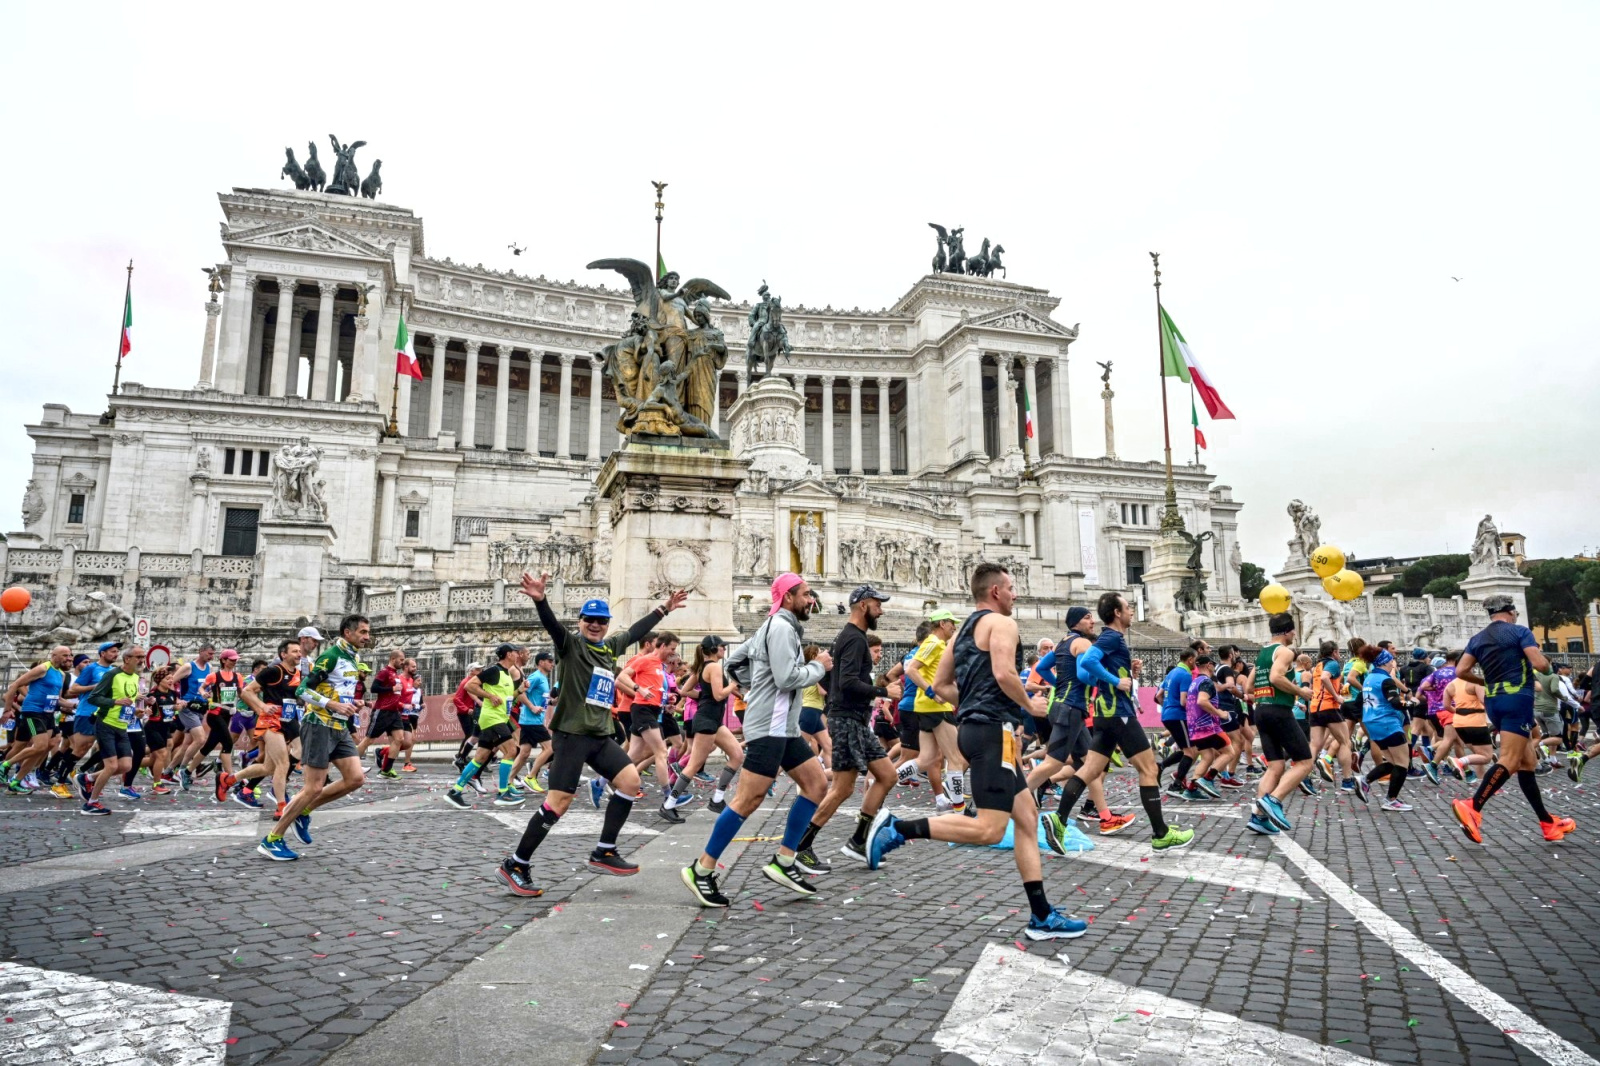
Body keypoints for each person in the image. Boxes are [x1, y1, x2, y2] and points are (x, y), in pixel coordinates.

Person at [863, 562, 1089, 941]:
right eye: (1012, 588)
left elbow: (939, 684)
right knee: (988, 828)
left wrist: (974, 700)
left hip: (973, 728)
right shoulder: (1002, 624)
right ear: (996, 592)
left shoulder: (961, 632)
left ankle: (1041, 914)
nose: (1016, 594)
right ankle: (896, 829)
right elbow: (1003, 674)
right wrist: (1027, 706)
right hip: (992, 732)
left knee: (1027, 818)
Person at [496, 576, 685, 897]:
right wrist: (540, 601)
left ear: (607, 624)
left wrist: (664, 609)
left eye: (601, 621)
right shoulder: (571, 646)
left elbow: (635, 632)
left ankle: (604, 851)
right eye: (589, 620)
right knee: (558, 803)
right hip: (571, 735)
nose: (595, 625)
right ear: (581, 622)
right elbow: (554, 627)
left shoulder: (609, 648)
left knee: (629, 782)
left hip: (599, 735)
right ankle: (516, 863)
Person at [680, 573, 832, 907]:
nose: (812, 600)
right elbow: (787, 677)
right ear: (788, 598)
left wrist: (756, 686)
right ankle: (702, 870)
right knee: (748, 799)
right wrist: (818, 667)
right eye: (806, 595)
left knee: (817, 785)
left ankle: (785, 860)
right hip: (770, 726)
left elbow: (733, 663)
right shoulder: (779, 628)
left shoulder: (774, 626)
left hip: (785, 727)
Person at [1052, 593, 1194, 850]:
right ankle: (1161, 833)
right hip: (1119, 713)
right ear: (1117, 613)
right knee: (1149, 769)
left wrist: (1125, 673)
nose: (1131, 611)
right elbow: (1087, 662)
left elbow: (1090, 672)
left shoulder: (1112, 639)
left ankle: (1058, 820)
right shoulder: (1112, 636)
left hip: (1105, 714)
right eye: (1128, 608)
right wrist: (1117, 681)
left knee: (1089, 770)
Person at [790, 586, 904, 871]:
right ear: (863, 605)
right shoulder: (853, 639)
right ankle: (801, 845)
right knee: (842, 788)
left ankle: (859, 839)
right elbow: (848, 683)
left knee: (887, 775)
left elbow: (837, 681)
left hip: (853, 719)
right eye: (878, 605)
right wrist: (884, 691)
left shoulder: (852, 636)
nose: (882, 610)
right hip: (847, 719)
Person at [1451, 596, 1573, 844]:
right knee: (1510, 759)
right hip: (1518, 698)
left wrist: (1484, 682)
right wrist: (1546, 666)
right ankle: (1473, 806)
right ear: (1511, 612)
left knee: (1527, 762)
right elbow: (1540, 665)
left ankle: (1548, 823)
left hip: (1495, 702)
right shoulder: (1519, 632)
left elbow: (1461, 671)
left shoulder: (1478, 638)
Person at [258, 614, 373, 861]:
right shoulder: (330, 656)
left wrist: (351, 703)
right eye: (362, 632)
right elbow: (303, 690)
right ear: (348, 633)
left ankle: (304, 811)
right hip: (318, 724)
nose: (367, 637)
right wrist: (333, 704)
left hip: (339, 725)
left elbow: (337, 691)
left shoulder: (354, 657)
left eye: (367, 632)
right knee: (313, 787)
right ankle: (272, 839)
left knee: (355, 778)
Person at [1029, 608, 1129, 843]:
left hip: (1063, 707)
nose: (1092, 621)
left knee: (1090, 766)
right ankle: (1011, 802)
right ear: (1076, 621)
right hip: (1071, 709)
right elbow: (1086, 675)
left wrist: (1059, 684)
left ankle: (1105, 817)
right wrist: (1114, 681)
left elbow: (1043, 669)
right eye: (1087, 617)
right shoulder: (1082, 643)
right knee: (1053, 762)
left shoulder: (1063, 642)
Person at [1241, 613, 1315, 836]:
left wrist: (1273, 691)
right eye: (1293, 631)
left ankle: (1259, 817)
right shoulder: (1285, 651)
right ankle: (1274, 800)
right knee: (1304, 763)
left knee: (1275, 766)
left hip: (1262, 710)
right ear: (1287, 631)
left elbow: (1249, 687)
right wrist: (1300, 691)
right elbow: (1275, 678)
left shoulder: (1263, 653)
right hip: (1278, 711)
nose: (1294, 635)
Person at [444, 644, 526, 808]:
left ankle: (455, 791)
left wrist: (520, 690)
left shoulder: (506, 674)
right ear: (509, 654)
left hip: (497, 718)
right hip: (492, 718)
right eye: (516, 652)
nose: (519, 654)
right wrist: (490, 696)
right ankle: (503, 793)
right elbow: (470, 686)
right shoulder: (494, 670)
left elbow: (508, 698)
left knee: (480, 758)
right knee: (511, 751)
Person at [232, 639, 303, 815]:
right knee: (283, 763)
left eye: (299, 651)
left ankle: (230, 779)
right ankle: (281, 807)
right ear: (283, 654)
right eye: (294, 651)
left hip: (289, 719)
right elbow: (247, 691)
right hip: (271, 721)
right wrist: (261, 707)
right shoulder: (273, 671)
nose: (299, 654)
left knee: (269, 767)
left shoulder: (298, 674)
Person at [906, 610, 968, 812]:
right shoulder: (933, 643)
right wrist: (931, 692)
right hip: (935, 706)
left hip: (927, 706)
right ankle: (959, 807)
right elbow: (911, 669)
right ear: (942, 623)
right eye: (952, 623)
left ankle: (885, 780)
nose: (954, 627)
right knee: (956, 758)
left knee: (926, 759)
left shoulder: (938, 644)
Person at [78, 646, 146, 815]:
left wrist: (136, 712)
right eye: (138, 657)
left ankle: (87, 778)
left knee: (125, 765)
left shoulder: (135, 677)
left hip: (122, 726)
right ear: (127, 659)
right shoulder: (112, 675)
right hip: (106, 724)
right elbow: (94, 698)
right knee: (111, 766)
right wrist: (115, 702)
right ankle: (91, 803)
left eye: (143, 657)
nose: (141, 660)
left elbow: (128, 701)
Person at [2, 646, 72, 793]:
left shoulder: (62, 675)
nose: (68, 658)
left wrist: (73, 705)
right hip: (33, 711)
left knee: (41, 750)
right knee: (38, 746)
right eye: (65, 655)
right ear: (54, 655)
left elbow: (58, 699)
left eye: (70, 655)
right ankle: (5, 765)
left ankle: (15, 783)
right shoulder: (43, 668)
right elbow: (15, 685)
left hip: (48, 714)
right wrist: (8, 710)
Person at [1354, 647, 1415, 811]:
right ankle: (1391, 800)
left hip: (1372, 722)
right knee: (1403, 763)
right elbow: (1395, 701)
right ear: (1387, 662)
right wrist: (1411, 703)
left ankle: (1365, 780)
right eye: (1392, 659)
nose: (1393, 662)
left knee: (1392, 762)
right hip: (1387, 722)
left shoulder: (1369, 678)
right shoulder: (1386, 680)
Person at [509, 650, 555, 792]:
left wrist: (553, 702)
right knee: (550, 748)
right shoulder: (535, 677)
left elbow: (542, 699)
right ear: (541, 662)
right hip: (531, 721)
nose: (552, 664)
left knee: (524, 753)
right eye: (549, 661)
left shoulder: (543, 678)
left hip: (531, 721)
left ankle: (508, 781)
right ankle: (531, 777)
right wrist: (532, 707)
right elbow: (520, 692)